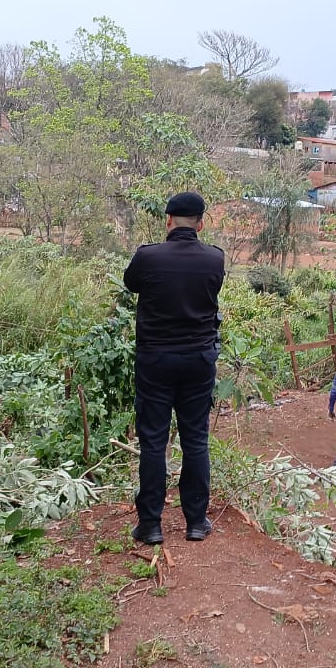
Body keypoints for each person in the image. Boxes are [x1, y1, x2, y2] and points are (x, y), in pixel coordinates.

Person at [123, 191, 224, 546]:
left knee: (153, 440)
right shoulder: (215, 259)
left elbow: (131, 284)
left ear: (167, 220)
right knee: (195, 439)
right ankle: (195, 522)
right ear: (200, 223)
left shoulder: (148, 257)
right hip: (199, 361)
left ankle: (150, 525)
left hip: (156, 361)